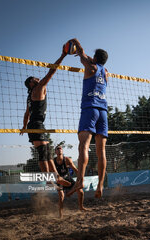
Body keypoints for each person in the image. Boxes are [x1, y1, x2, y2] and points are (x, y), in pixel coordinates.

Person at [21, 47, 70, 187]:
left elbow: (26, 114)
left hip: (36, 124)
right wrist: (62, 56)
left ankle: (57, 177)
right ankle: (49, 180)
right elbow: (51, 71)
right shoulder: (37, 88)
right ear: (31, 83)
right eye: (33, 78)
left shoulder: (30, 96)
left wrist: (24, 127)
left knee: (48, 153)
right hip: (36, 124)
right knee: (43, 153)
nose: (37, 78)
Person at [66, 38, 108, 198]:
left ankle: (80, 180)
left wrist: (75, 41)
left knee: (83, 146)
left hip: (90, 109)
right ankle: (100, 185)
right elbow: (89, 58)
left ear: (95, 58)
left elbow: (81, 52)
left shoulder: (90, 67)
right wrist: (89, 57)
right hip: (103, 111)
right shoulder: (105, 72)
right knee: (101, 150)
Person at [54, 145, 87, 218]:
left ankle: (81, 207)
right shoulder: (53, 161)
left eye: (61, 149)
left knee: (81, 191)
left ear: (62, 151)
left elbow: (75, 169)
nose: (59, 150)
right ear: (55, 151)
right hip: (59, 180)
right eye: (58, 149)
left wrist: (81, 177)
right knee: (61, 196)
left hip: (68, 178)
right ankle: (61, 214)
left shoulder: (67, 160)